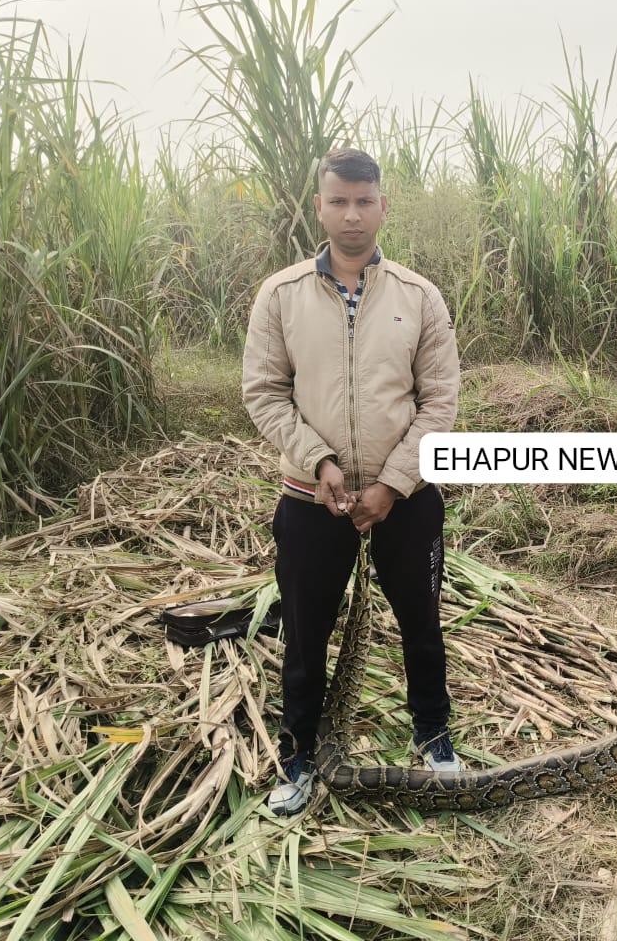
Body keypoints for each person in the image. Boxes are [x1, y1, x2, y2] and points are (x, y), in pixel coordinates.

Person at [243, 147, 463, 815]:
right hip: (312, 499)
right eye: (338, 201)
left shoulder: (418, 296)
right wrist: (320, 461)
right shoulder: (281, 295)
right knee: (305, 634)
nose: (351, 215)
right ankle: (298, 757)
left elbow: (440, 402)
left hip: (408, 500)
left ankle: (434, 737)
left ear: (382, 206)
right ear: (319, 207)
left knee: (421, 622)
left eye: (364, 201)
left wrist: (393, 484)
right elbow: (264, 393)